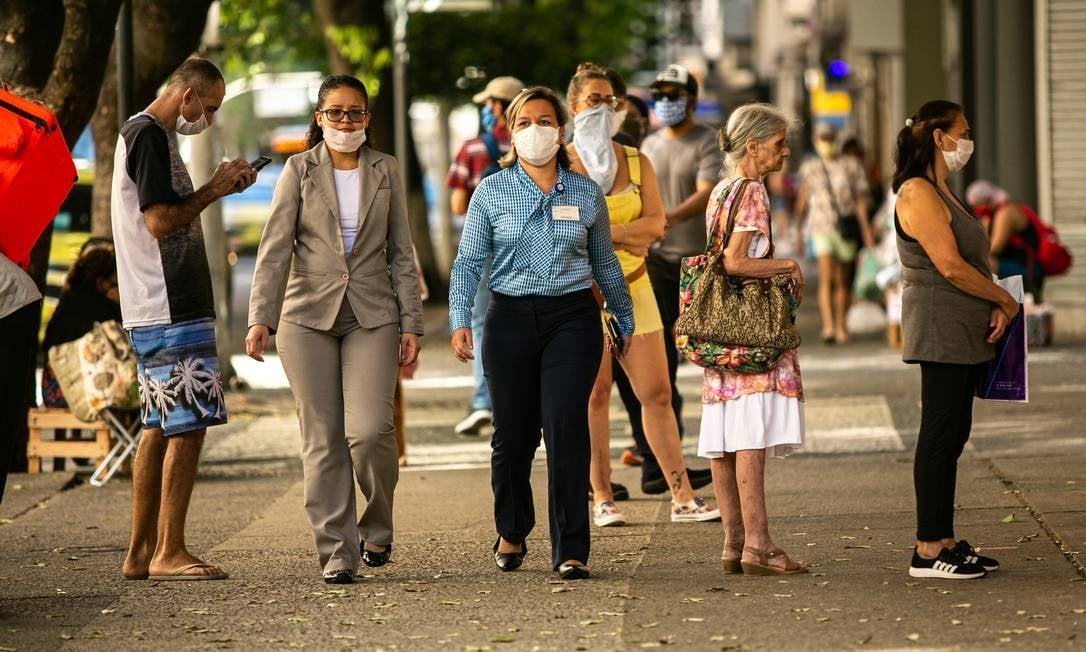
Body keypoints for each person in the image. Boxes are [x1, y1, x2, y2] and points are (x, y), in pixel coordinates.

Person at [449, 86, 633, 581]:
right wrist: (459, 319)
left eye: (546, 121)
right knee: (512, 437)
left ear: (561, 128)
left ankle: (571, 548)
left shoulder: (584, 192)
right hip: (509, 320)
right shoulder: (491, 189)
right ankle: (512, 527)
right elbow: (468, 261)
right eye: (526, 122)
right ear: (512, 131)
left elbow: (605, 264)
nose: (537, 130)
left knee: (566, 428)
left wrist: (623, 315)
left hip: (572, 320)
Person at [246, 74, 423, 585]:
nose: (346, 121)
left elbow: (401, 256)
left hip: (372, 313)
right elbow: (274, 248)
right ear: (319, 117)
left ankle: (378, 524)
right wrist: (262, 316)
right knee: (321, 439)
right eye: (336, 112)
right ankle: (337, 550)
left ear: (367, 117)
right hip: (307, 317)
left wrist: (411, 321)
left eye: (356, 112)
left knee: (369, 431)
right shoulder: (298, 170)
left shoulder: (385, 169)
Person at [112, 57, 256, 581]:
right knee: (187, 425)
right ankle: (168, 549)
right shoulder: (149, 134)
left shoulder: (144, 134)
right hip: (168, 304)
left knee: (157, 424)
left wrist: (218, 187)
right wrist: (214, 189)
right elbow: (159, 220)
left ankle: (140, 553)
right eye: (209, 107)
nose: (209, 119)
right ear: (187, 96)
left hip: (155, 304)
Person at [565, 63, 720, 528]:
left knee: (657, 392)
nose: (604, 108)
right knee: (593, 396)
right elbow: (560, 235)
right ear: (573, 107)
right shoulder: (560, 162)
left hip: (635, 287)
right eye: (594, 100)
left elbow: (655, 226)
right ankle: (601, 497)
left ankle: (682, 495)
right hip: (583, 295)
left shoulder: (636, 161)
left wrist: (607, 232)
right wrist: (621, 236)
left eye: (611, 100)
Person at [893, 100, 1017, 579]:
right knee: (940, 434)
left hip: (962, 327)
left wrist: (993, 300)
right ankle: (928, 549)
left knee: (953, 434)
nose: (968, 140)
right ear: (940, 137)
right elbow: (948, 265)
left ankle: (944, 538)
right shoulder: (918, 192)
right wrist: (1004, 301)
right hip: (939, 326)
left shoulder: (942, 189)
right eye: (962, 131)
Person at [697, 103, 808, 576]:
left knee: (723, 435)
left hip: (719, 327)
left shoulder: (721, 190)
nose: (785, 153)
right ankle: (759, 544)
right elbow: (736, 261)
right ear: (753, 145)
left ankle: (734, 541)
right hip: (751, 329)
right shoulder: (754, 192)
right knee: (749, 437)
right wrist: (787, 265)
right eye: (779, 143)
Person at [621, 63, 719, 496]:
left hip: (697, 263)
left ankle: (707, 453)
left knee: (708, 354)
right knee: (659, 362)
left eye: (674, 92)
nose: (665, 99)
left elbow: (707, 190)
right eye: (659, 92)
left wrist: (666, 217)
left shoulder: (707, 140)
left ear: (692, 99)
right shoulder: (649, 146)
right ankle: (662, 459)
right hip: (654, 264)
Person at [446, 75, 524, 437]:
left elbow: (458, 203)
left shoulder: (474, 148)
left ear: (497, 106)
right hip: (527, 247)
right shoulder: (538, 146)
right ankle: (521, 399)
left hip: (484, 247)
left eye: (490, 103)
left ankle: (483, 400)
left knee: (481, 323)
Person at [795, 123, 874, 344]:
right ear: (815, 140)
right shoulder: (810, 167)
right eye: (822, 138)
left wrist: (866, 231)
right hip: (821, 227)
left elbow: (860, 201)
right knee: (826, 276)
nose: (826, 142)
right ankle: (829, 326)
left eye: (829, 137)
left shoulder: (851, 166)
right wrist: (799, 232)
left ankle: (841, 324)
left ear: (836, 138)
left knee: (842, 279)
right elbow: (803, 199)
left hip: (845, 228)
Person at [40, 239, 122, 408]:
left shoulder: (68, 300)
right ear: (101, 282)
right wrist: (119, 306)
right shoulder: (101, 306)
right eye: (115, 283)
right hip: (83, 396)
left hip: (52, 393)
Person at [965, 180, 1046, 301]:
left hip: (1027, 268)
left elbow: (994, 248)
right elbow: (982, 240)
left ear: (987, 200)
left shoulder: (1006, 212)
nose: (977, 209)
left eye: (978, 204)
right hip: (1013, 264)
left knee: (985, 262)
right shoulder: (990, 215)